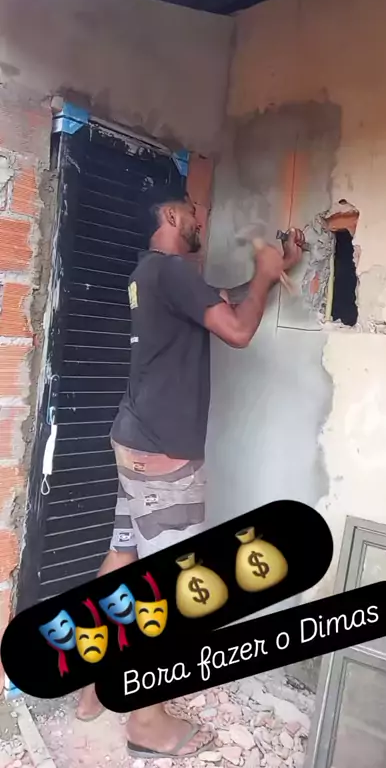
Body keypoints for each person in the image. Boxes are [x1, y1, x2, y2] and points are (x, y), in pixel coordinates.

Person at [76, 192, 303, 759]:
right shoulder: (173, 272)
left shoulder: (151, 274)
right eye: (195, 213)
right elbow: (238, 331)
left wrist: (270, 272)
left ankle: (90, 684)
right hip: (165, 459)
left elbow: (221, 302)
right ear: (172, 217)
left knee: (123, 557)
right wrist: (263, 273)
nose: (202, 220)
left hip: (134, 443)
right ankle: (145, 722)